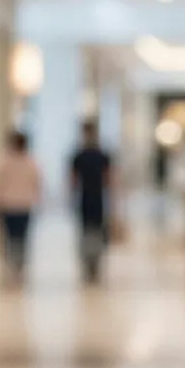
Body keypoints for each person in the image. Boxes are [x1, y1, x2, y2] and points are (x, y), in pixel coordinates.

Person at [0, 131, 41, 282]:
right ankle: (19, 264)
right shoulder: (31, 163)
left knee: (9, 237)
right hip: (24, 204)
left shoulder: (4, 163)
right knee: (22, 237)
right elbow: (37, 183)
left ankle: (11, 264)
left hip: (8, 204)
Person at [69, 121, 114, 284]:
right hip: (94, 198)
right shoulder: (100, 156)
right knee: (92, 231)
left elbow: (73, 181)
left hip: (89, 198)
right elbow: (109, 179)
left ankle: (91, 263)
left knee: (90, 231)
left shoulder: (80, 156)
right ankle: (92, 264)